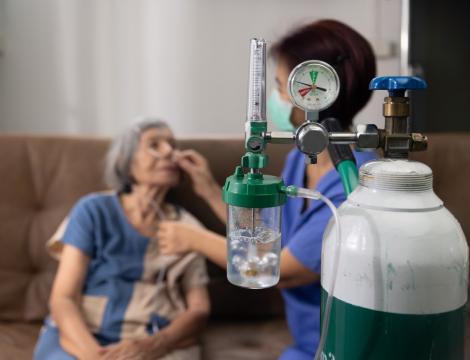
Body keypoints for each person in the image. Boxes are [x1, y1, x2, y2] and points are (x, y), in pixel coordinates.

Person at [157, 19, 377, 360]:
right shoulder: (300, 159)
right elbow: (262, 236)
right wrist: (208, 190)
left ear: (318, 93)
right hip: (306, 342)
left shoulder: (357, 182)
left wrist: (190, 237)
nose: (276, 97)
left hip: (347, 345)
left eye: (280, 85)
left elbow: (278, 270)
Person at [34, 119, 210, 360]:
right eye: (154, 145)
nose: (170, 152)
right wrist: (95, 356)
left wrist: (152, 345)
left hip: (153, 339)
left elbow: (199, 310)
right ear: (125, 163)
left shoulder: (188, 228)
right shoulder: (93, 210)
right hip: (84, 334)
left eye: (172, 144)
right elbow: (63, 298)